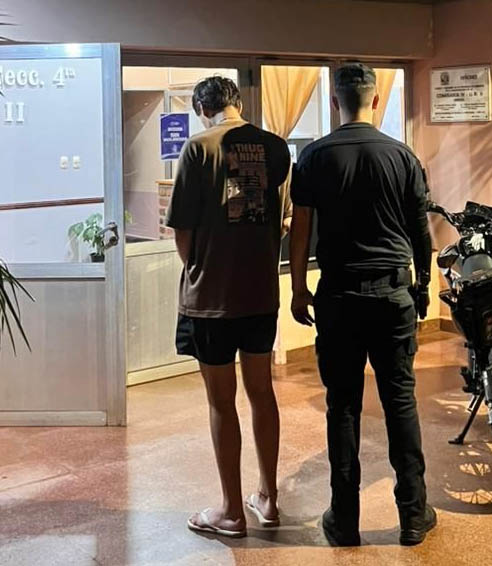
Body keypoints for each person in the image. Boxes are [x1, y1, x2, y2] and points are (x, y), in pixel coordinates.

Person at [289, 62, 435, 546]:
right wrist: (423, 285)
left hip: (338, 296)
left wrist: (298, 288)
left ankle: (345, 519)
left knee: (343, 406)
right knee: (400, 402)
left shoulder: (313, 157)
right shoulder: (402, 156)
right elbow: (420, 231)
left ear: (335, 102)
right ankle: (413, 515)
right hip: (393, 294)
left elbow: (301, 230)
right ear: (374, 100)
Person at [166, 76, 291, 537]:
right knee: (262, 392)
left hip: (212, 300)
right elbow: (281, 220)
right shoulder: (276, 148)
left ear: (203, 109)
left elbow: (182, 230)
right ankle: (269, 499)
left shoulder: (199, 148)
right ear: (237, 103)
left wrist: (201, 267)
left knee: (222, 402)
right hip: (260, 294)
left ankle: (232, 511)